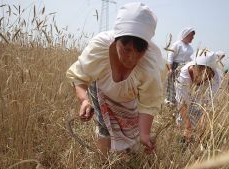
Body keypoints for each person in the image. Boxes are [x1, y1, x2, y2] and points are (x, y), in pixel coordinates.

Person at [65, 3, 163, 157]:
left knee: (132, 134)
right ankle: (104, 166)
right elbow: (79, 77)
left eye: (139, 51)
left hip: (127, 98)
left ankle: (124, 159)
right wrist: (84, 100)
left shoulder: (149, 66)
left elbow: (148, 104)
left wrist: (144, 135)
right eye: (126, 50)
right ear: (116, 39)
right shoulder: (99, 47)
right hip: (101, 89)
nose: (132, 58)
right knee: (104, 128)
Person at [175, 51, 221, 142]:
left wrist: (202, 126)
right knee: (182, 121)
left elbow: (209, 106)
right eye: (203, 76)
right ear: (195, 68)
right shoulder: (183, 75)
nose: (205, 80)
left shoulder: (216, 78)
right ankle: (182, 141)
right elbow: (182, 103)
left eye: (208, 76)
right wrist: (188, 127)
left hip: (201, 101)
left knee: (200, 121)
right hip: (186, 99)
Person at [165, 27, 195, 106]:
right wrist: (170, 69)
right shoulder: (177, 44)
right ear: (186, 35)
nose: (192, 38)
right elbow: (170, 56)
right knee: (173, 86)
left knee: (182, 87)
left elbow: (190, 59)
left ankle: (180, 104)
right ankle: (171, 104)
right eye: (191, 36)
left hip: (185, 69)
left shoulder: (190, 48)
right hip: (176, 67)